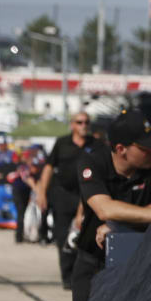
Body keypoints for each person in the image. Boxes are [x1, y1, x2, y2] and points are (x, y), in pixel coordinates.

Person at [73, 109, 151, 301]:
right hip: (94, 261)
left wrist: (120, 225)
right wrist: (124, 220)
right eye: (144, 147)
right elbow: (105, 209)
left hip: (142, 261)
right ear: (121, 149)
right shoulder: (92, 162)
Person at [38, 111, 96, 289]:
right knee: (63, 236)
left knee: (85, 236)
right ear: (72, 124)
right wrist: (42, 192)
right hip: (63, 195)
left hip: (88, 196)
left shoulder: (96, 144)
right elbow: (49, 167)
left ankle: (83, 275)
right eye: (79, 122)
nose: (83, 125)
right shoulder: (62, 143)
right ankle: (67, 276)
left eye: (86, 122)